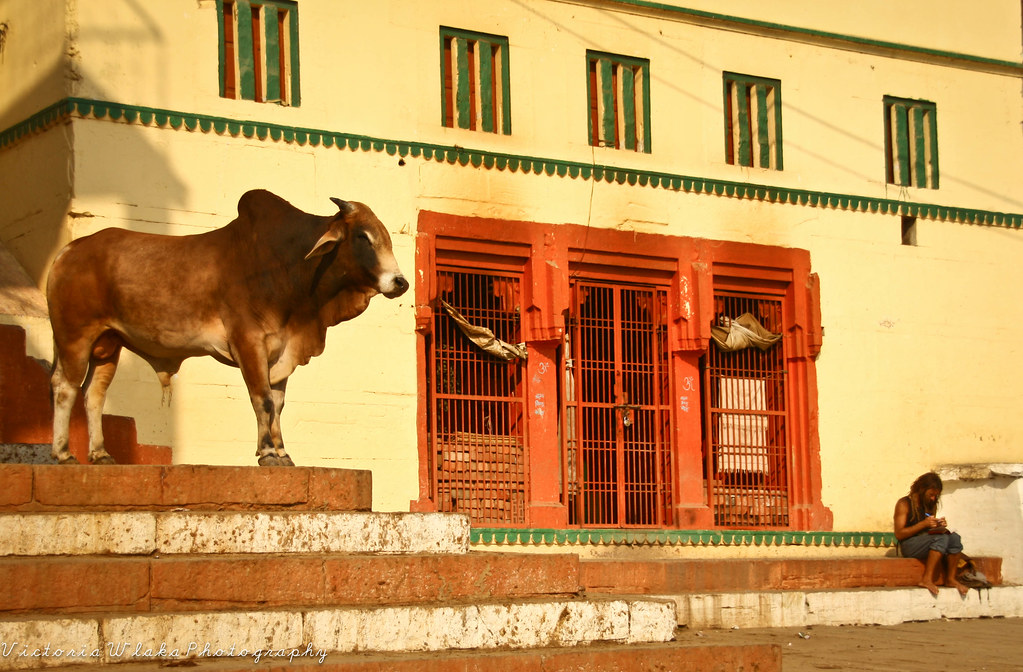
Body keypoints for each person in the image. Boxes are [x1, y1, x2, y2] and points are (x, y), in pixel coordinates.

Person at [893, 472, 969, 596]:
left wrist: (938, 525)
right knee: (940, 539)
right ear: (922, 490)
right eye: (931, 495)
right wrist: (924, 524)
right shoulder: (904, 504)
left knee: (954, 538)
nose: (933, 498)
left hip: (925, 541)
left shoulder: (929, 504)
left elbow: (928, 530)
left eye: (936, 495)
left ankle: (950, 579)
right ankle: (926, 579)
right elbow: (899, 534)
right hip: (909, 545)